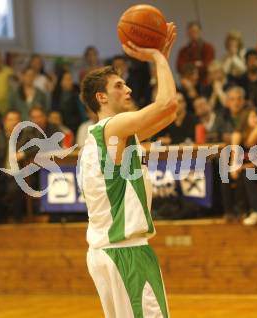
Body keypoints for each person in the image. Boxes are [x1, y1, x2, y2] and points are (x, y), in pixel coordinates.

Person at [79, 22, 177, 318]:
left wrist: (163, 59)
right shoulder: (113, 127)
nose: (129, 88)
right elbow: (169, 101)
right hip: (126, 252)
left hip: (106, 251)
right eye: (119, 85)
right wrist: (158, 58)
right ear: (102, 98)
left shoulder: (109, 134)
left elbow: (169, 112)